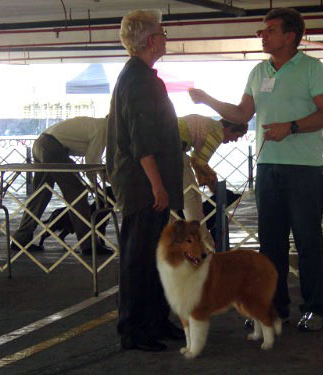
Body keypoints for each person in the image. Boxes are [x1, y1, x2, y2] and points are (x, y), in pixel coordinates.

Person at [189, 7, 323, 332]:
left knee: (308, 240)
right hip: (268, 168)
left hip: (304, 169)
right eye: (262, 30)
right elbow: (242, 114)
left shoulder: (314, 69)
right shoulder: (258, 72)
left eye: (270, 30)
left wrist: (292, 127)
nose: (262, 35)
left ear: (290, 36)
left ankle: (315, 308)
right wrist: (207, 100)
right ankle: (274, 307)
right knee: (270, 245)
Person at [106, 9, 184, 352]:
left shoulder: (141, 77)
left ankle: (154, 320)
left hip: (144, 182)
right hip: (142, 185)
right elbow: (141, 140)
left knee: (154, 255)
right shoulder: (139, 80)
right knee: (138, 258)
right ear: (151, 40)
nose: (166, 37)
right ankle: (134, 328)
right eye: (162, 33)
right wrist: (157, 184)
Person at [11, 116, 112, 255]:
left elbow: (93, 164)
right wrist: (98, 188)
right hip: (53, 148)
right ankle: (89, 245)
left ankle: (20, 240)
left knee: (41, 194)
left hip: (41, 144)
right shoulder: (104, 129)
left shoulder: (99, 124)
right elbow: (92, 163)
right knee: (78, 192)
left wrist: (101, 183)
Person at [177, 114, 247, 249]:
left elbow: (195, 159)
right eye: (237, 136)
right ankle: (207, 250)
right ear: (231, 128)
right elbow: (200, 162)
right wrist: (211, 179)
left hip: (165, 147)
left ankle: (174, 250)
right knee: (192, 203)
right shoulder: (218, 132)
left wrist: (204, 177)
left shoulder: (210, 125)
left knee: (172, 209)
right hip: (175, 150)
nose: (235, 140)